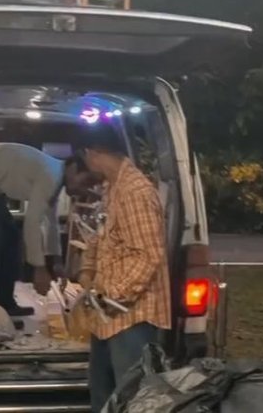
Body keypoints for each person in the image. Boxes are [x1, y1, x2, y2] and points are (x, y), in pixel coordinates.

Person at [76, 124, 172, 412]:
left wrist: (111, 297)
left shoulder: (135, 191)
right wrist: (87, 272)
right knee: (104, 395)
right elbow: (101, 235)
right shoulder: (112, 187)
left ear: (93, 153)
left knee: (130, 398)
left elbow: (148, 255)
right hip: (108, 316)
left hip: (132, 316)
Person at [0, 143, 93, 316]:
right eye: (85, 182)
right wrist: (39, 270)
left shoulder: (56, 177)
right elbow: (32, 223)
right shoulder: (51, 175)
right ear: (73, 169)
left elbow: (51, 222)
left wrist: (56, 261)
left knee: (11, 238)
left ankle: (4, 304)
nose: (84, 189)